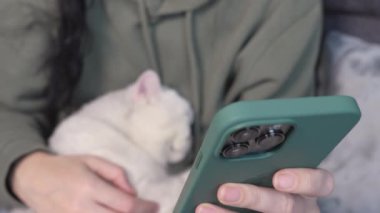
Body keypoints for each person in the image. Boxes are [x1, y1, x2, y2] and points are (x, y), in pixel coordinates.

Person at [0, 0, 333, 212]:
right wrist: (25, 169)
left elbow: (270, 152)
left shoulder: (282, 8)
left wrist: (274, 195)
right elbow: (7, 107)